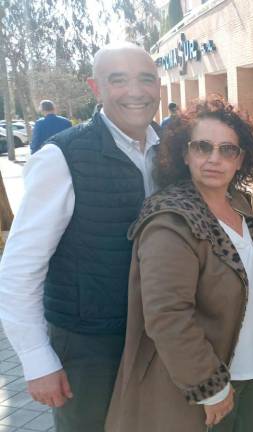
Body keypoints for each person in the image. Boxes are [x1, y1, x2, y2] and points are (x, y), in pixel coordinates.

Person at [0, 41, 161, 431]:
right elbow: (21, 267)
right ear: (95, 87)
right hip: (88, 346)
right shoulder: (61, 157)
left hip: (156, 337)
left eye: (146, 79)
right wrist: (38, 359)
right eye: (118, 80)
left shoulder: (169, 151)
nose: (136, 91)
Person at [106, 97, 253, 431]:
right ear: (185, 154)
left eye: (227, 149)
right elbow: (167, 315)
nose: (215, 159)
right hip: (201, 389)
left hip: (250, 373)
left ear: (240, 158)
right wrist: (209, 386)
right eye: (203, 147)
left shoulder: (240, 204)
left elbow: (238, 274)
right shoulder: (170, 220)